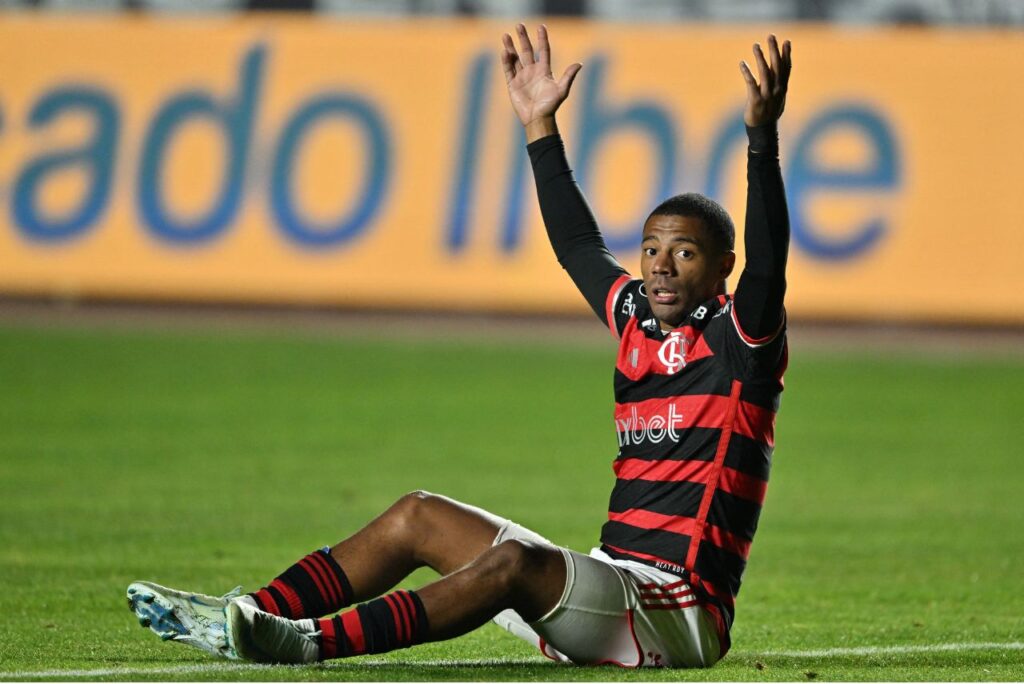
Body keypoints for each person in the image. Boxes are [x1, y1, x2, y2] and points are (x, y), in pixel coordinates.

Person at [127, 24, 792, 669]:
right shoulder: (634, 322)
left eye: (684, 252)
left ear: (721, 267)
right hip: (609, 587)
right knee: (418, 515)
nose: (661, 266)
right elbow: (578, 247)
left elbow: (769, 262)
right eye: (651, 250)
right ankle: (248, 614)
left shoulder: (739, 342)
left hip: (677, 612)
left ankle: (306, 643)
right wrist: (540, 128)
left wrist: (760, 139)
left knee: (513, 565)